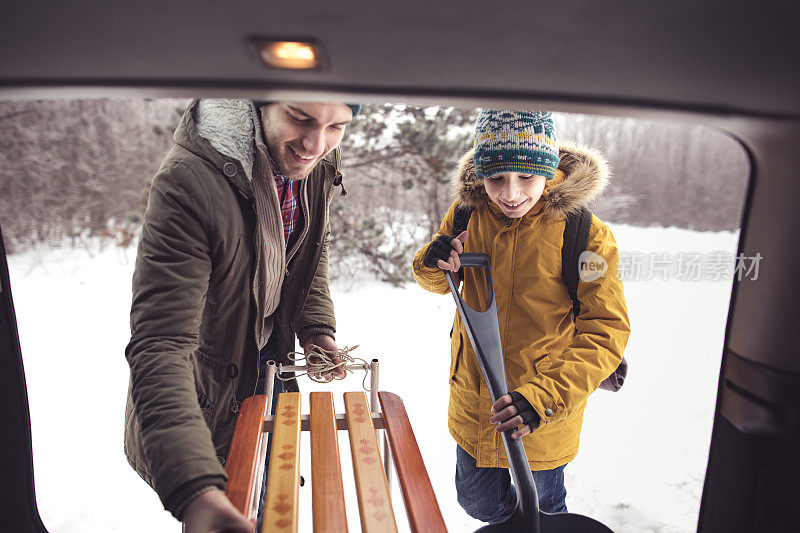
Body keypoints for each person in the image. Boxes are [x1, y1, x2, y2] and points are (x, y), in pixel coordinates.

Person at [124, 98, 359, 532]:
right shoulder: (189, 182)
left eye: (336, 127)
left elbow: (306, 250)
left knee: (272, 495)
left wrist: (314, 326)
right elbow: (161, 344)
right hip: (208, 390)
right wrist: (194, 492)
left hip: (271, 362)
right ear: (258, 103)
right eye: (299, 118)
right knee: (235, 504)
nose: (315, 144)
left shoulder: (316, 160)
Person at [412, 109, 630, 522]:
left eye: (526, 178)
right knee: (479, 503)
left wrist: (541, 400)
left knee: (543, 510)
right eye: (496, 178)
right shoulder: (466, 214)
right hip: (478, 400)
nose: (510, 194)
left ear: (548, 171)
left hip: (542, 409)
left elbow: (606, 331)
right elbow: (439, 284)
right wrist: (433, 260)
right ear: (480, 174)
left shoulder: (585, 233)